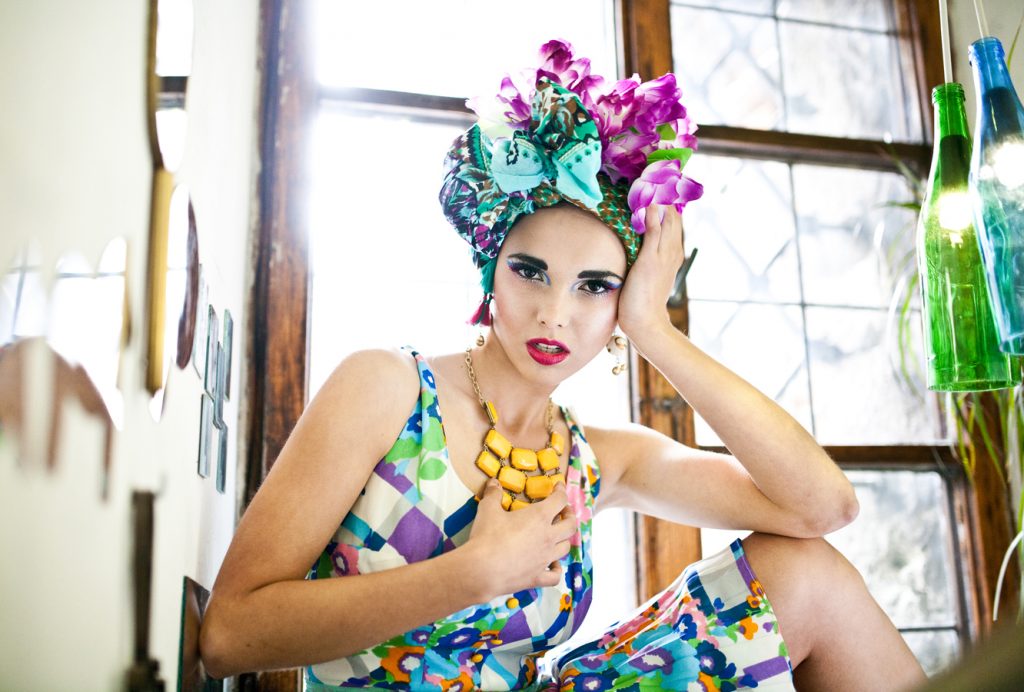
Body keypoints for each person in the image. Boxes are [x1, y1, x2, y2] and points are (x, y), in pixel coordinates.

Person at [200, 40, 927, 691]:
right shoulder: (384, 389)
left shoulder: (596, 460)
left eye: (595, 287)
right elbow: (227, 636)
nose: (555, 313)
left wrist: (654, 329)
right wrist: (470, 574)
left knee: (806, 576)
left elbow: (821, 508)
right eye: (530, 271)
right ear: (491, 272)